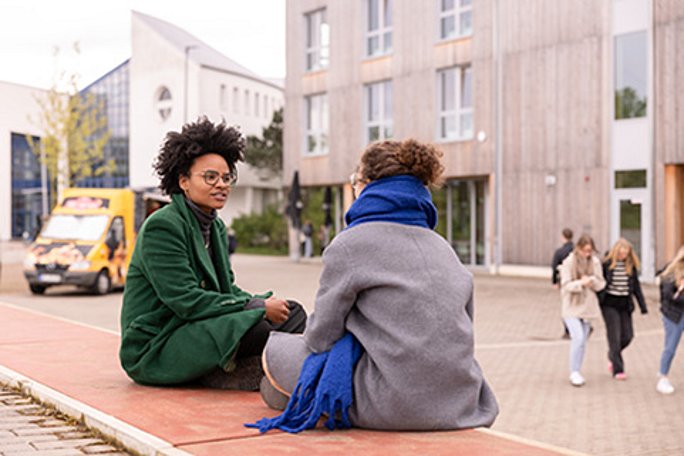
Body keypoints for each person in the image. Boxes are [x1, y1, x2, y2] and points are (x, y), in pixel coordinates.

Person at [257, 139, 498, 431]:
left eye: (354, 182)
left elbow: (320, 337)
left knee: (276, 361)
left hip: (396, 402)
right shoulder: (444, 248)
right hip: (459, 400)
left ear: (366, 185)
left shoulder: (350, 243)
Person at [119, 118, 306, 390]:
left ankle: (242, 368)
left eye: (227, 177)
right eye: (210, 177)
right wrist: (256, 308)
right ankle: (239, 369)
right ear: (183, 181)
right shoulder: (163, 226)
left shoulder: (215, 226)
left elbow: (226, 290)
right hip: (159, 343)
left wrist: (262, 302)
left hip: (198, 327)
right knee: (255, 327)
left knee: (294, 313)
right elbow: (187, 301)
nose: (222, 184)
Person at [559, 234, 606, 387]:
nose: (588, 254)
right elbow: (566, 286)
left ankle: (577, 369)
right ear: (578, 248)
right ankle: (574, 372)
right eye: (585, 250)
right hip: (571, 307)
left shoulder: (595, 262)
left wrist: (591, 281)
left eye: (590, 251)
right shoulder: (568, 262)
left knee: (582, 342)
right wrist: (581, 283)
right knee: (577, 338)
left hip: (588, 308)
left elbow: (601, 284)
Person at [599, 238, 648, 380]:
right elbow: (599, 282)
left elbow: (636, 287)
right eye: (621, 253)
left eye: (626, 253)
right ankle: (618, 369)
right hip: (609, 304)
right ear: (616, 252)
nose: (623, 256)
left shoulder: (630, 266)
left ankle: (612, 355)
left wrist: (642, 306)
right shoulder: (607, 264)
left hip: (625, 304)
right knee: (614, 336)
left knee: (627, 336)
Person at [656, 246, 684, 395]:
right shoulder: (671, 272)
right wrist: (680, 291)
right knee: (670, 347)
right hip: (673, 314)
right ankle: (663, 376)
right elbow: (668, 296)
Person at [552, 228, 574, 339]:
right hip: (577, 281)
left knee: (566, 306)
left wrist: (555, 282)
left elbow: (554, 267)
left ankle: (568, 330)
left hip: (565, 282)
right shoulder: (576, 250)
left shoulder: (559, 252)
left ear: (563, 237)